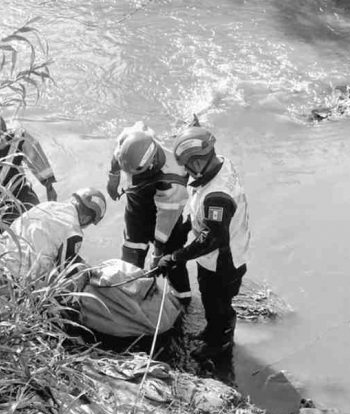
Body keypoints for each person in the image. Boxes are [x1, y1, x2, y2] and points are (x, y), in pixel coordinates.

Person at [155, 125, 250, 362]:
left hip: (224, 261)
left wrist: (176, 257)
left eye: (187, 166)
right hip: (218, 255)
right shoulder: (218, 164)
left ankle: (220, 344)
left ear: (197, 164)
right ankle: (212, 331)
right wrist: (186, 225)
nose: (185, 172)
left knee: (218, 303)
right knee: (208, 296)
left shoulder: (217, 197)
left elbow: (213, 239)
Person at [105, 122, 192, 308]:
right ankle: (128, 294)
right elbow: (117, 157)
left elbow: (166, 220)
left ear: (152, 163)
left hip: (168, 216)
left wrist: (158, 252)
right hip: (137, 207)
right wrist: (113, 180)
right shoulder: (129, 141)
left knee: (171, 260)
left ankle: (182, 300)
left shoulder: (174, 176)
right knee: (131, 253)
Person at [0, 187, 107, 281]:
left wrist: (85, 265)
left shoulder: (48, 205)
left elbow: (59, 245)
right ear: (86, 218)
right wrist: (87, 275)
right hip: (15, 275)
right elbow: (66, 269)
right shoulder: (73, 231)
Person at [0, 109, 58, 224]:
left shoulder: (17, 139)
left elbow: (35, 157)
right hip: (10, 208)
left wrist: (49, 187)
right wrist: (49, 187)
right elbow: (36, 157)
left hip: (16, 205)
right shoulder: (17, 138)